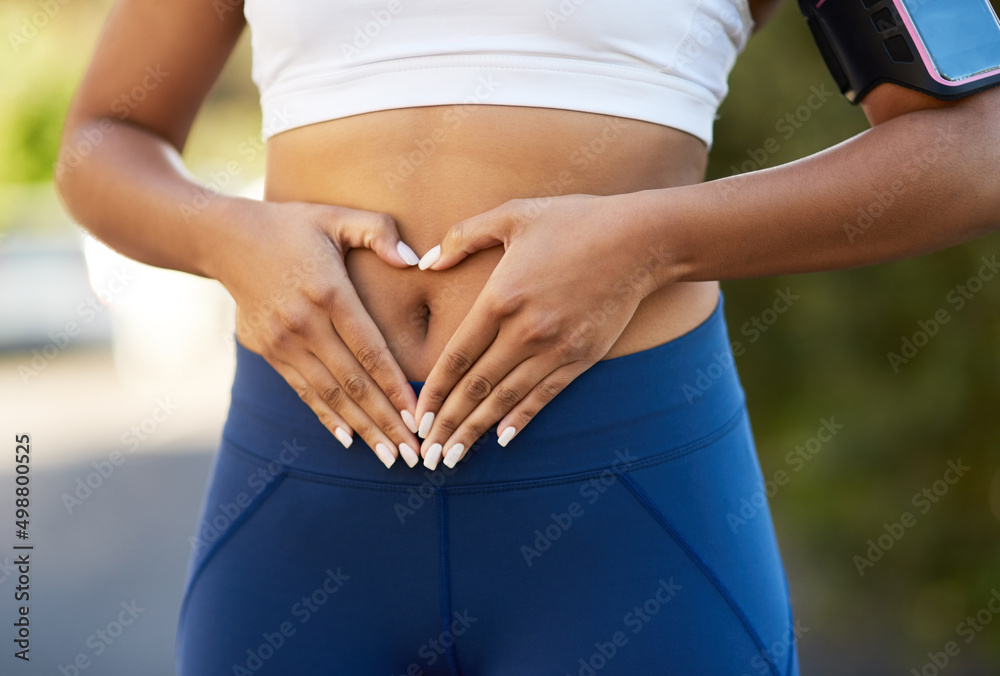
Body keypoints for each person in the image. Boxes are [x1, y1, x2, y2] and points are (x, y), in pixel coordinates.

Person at [53, 0, 999, 673]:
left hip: (626, 493)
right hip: (302, 484)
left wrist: (650, 240)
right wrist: (227, 238)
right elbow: (103, 138)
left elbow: (976, 147)